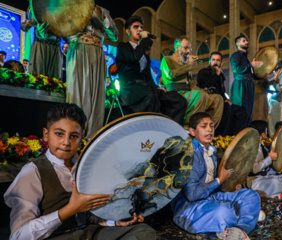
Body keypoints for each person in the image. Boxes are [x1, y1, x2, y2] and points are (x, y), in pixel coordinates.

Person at [4, 103, 156, 240]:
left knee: (143, 231)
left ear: (81, 138)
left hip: (87, 232)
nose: (66, 142)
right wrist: (70, 210)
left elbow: (91, 215)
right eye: (59, 134)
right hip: (56, 236)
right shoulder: (33, 172)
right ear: (45, 134)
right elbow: (18, 236)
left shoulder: (85, 166)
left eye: (74, 136)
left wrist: (115, 221)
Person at [171, 112, 261, 239]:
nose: (209, 130)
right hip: (189, 207)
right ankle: (242, 217)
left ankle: (240, 230)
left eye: (212, 126)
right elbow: (192, 195)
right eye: (204, 126)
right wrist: (219, 180)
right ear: (192, 131)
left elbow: (211, 184)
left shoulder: (211, 151)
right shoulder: (188, 155)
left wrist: (229, 186)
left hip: (210, 197)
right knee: (224, 211)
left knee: (251, 196)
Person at [115, 15, 187, 125]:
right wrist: (145, 41)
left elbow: (148, 77)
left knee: (178, 101)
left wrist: (159, 88)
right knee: (151, 95)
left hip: (147, 88)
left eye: (141, 27)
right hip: (130, 89)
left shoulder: (145, 56)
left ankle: (168, 130)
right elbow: (134, 57)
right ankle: (149, 131)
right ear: (128, 31)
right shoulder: (123, 47)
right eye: (136, 27)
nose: (140, 29)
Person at [66, 5, 119, 138]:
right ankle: (74, 134)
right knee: (76, 92)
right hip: (78, 49)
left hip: (97, 53)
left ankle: (92, 137)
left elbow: (115, 36)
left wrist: (103, 18)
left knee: (97, 95)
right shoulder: (69, 6)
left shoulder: (102, 10)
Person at [160, 37, 224, 129]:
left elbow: (191, 85)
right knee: (200, 96)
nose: (188, 51)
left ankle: (209, 129)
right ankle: (189, 128)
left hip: (188, 92)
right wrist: (188, 65)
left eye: (189, 48)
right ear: (177, 47)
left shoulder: (184, 64)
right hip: (176, 92)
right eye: (185, 48)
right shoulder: (167, 59)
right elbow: (171, 74)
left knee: (217, 99)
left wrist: (204, 90)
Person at [246, 120, 282, 198]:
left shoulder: (262, 146)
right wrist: (270, 158)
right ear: (263, 134)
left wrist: (276, 169)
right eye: (266, 130)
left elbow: (267, 168)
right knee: (274, 182)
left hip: (266, 177)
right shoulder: (252, 148)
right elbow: (255, 169)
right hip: (255, 180)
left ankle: (279, 191)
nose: (267, 133)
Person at [197, 51, 246, 135]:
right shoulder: (204, 72)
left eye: (218, 60)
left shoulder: (220, 76)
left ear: (221, 63)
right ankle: (222, 135)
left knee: (241, 111)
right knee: (227, 108)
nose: (215, 62)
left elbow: (221, 92)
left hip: (221, 100)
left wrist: (226, 99)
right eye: (213, 60)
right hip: (209, 100)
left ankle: (235, 135)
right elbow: (205, 86)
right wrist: (216, 75)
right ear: (210, 61)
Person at [230, 34, 263, 127]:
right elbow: (236, 70)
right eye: (244, 40)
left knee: (249, 111)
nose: (247, 42)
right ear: (237, 43)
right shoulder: (235, 55)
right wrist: (251, 65)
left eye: (247, 41)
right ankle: (237, 135)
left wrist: (264, 75)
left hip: (249, 85)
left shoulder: (246, 57)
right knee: (240, 110)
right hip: (240, 85)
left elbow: (250, 73)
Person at [21, 12, 62, 79]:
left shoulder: (62, 6)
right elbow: (24, 26)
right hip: (40, 45)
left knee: (55, 79)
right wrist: (27, 24)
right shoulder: (35, 5)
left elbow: (66, 36)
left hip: (55, 48)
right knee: (38, 77)